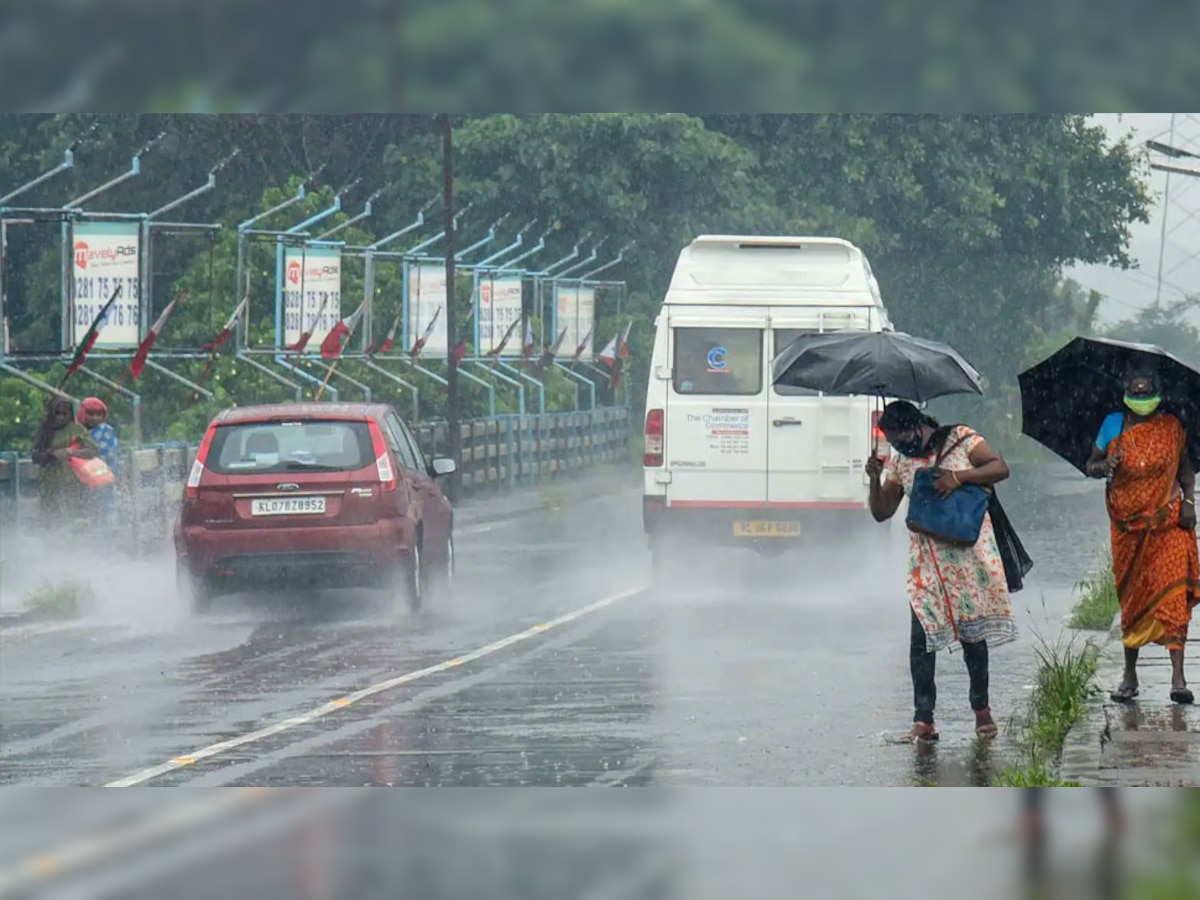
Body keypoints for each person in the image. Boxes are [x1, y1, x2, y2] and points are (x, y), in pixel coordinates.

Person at [865, 400, 1019, 742]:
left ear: (919, 426)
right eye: (893, 441)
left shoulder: (962, 440)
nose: (900, 446)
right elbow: (882, 513)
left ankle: (982, 711)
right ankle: (924, 720)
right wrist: (875, 481)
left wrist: (958, 477)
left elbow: (999, 467)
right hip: (926, 565)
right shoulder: (901, 460)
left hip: (967, 559)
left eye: (903, 437)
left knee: (972, 639)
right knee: (920, 641)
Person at [1085, 365, 1199, 705]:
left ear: (1158, 393)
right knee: (1132, 599)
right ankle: (1129, 674)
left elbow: (1186, 468)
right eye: (1135, 392)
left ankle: (1178, 678)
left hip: (1168, 525)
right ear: (1125, 394)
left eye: (1147, 391)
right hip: (1127, 529)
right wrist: (1105, 466)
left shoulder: (1171, 426)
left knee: (1172, 597)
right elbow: (1090, 464)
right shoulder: (1112, 425)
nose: (1141, 397)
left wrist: (1190, 501)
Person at [31, 396, 99, 530]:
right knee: (51, 520)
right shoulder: (45, 431)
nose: (61, 417)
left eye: (64, 414)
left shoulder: (78, 429)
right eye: (57, 413)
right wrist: (52, 454)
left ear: (70, 414)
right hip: (50, 482)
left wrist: (70, 452)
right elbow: (35, 455)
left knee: (74, 520)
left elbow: (92, 451)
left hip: (74, 482)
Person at [78, 396, 121, 524]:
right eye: (90, 414)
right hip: (83, 479)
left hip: (103, 477)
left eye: (99, 414)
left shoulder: (106, 431)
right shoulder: (77, 431)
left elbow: (102, 452)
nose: (94, 418)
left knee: (103, 510)